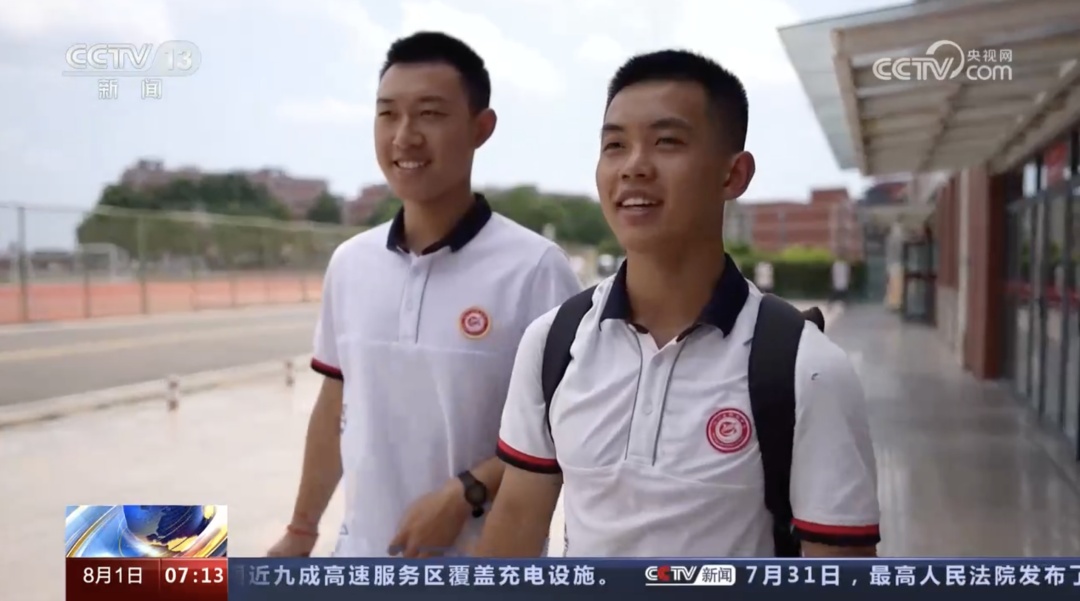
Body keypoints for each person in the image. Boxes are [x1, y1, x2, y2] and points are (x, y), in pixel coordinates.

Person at [475, 50, 879, 558]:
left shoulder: (807, 368)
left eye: (666, 142)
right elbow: (517, 520)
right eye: (615, 145)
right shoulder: (553, 343)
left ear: (733, 175)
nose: (634, 167)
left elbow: (839, 572)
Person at [267, 31, 581, 558]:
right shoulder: (351, 263)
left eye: (430, 114)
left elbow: (564, 431)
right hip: (361, 560)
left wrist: (468, 492)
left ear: (481, 128)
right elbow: (335, 405)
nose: (404, 136)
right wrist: (302, 530)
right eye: (388, 114)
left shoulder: (535, 270)